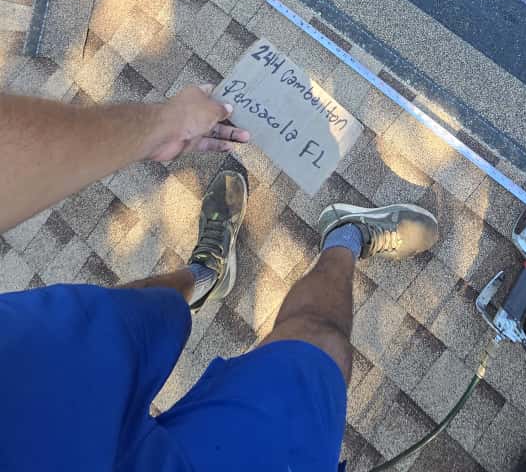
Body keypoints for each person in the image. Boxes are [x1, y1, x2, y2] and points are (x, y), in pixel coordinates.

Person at [0, 86, 439, 472]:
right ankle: (347, 237)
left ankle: (207, 271)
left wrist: (160, 126)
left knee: (148, 308)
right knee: (320, 345)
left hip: (21, 392)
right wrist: (159, 125)